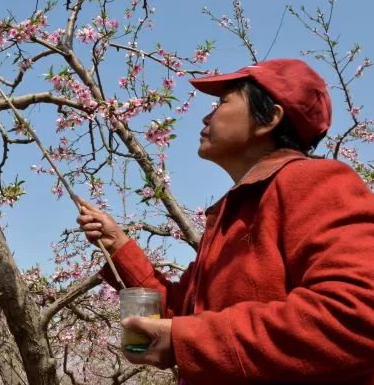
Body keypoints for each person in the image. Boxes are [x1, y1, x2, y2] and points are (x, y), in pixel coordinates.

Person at [76, 59, 374, 384]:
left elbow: (358, 314)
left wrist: (187, 339)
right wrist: (117, 246)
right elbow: (186, 315)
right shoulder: (233, 213)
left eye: (222, 102)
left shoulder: (317, 182)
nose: (207, 116)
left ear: (270, 119)